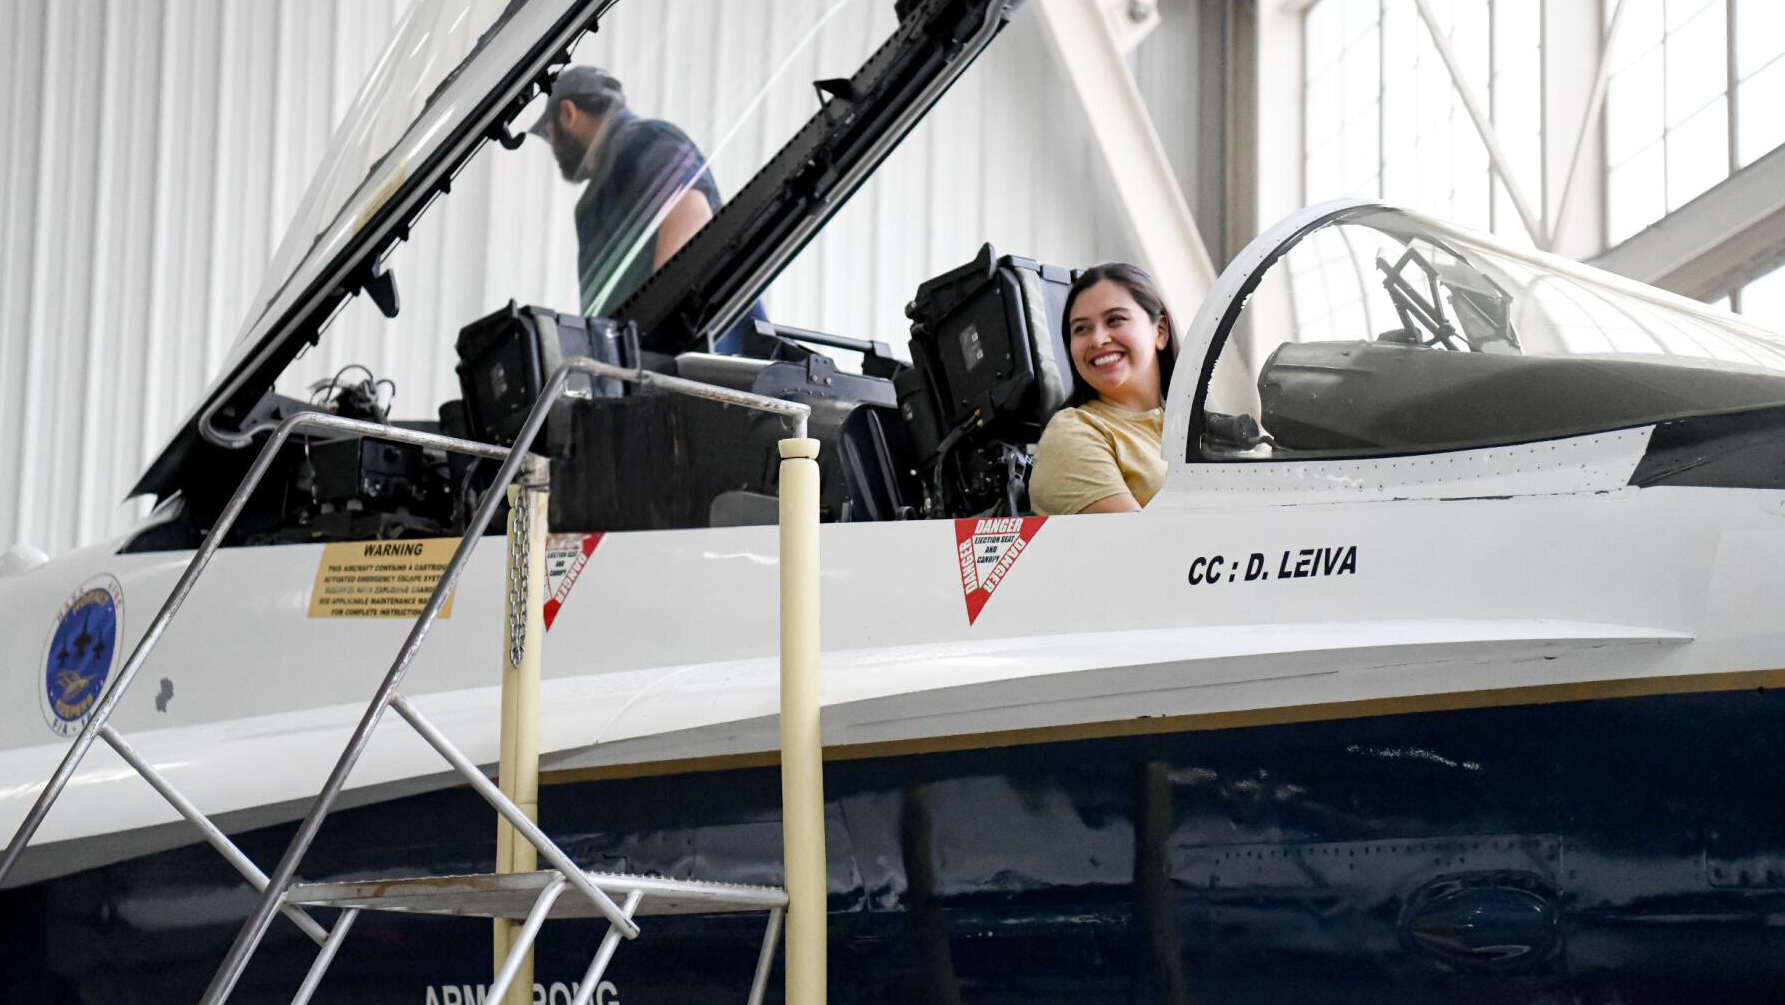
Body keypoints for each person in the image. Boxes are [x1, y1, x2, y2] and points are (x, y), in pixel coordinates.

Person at [531, 65, 761, 351]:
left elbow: (690, 210)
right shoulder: (594, 199)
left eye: (550, 134)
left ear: (568, 113)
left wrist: (653, 339)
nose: (553, 149)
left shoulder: (642, 140)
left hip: (693, 364)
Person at [1028, 263, 1177, 515]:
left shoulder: (1199, 432)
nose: (1098, 339)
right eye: (1081, 329)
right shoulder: (1074, 433)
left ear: (1159, 331)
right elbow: (1141, 547)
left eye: (1115, 320)